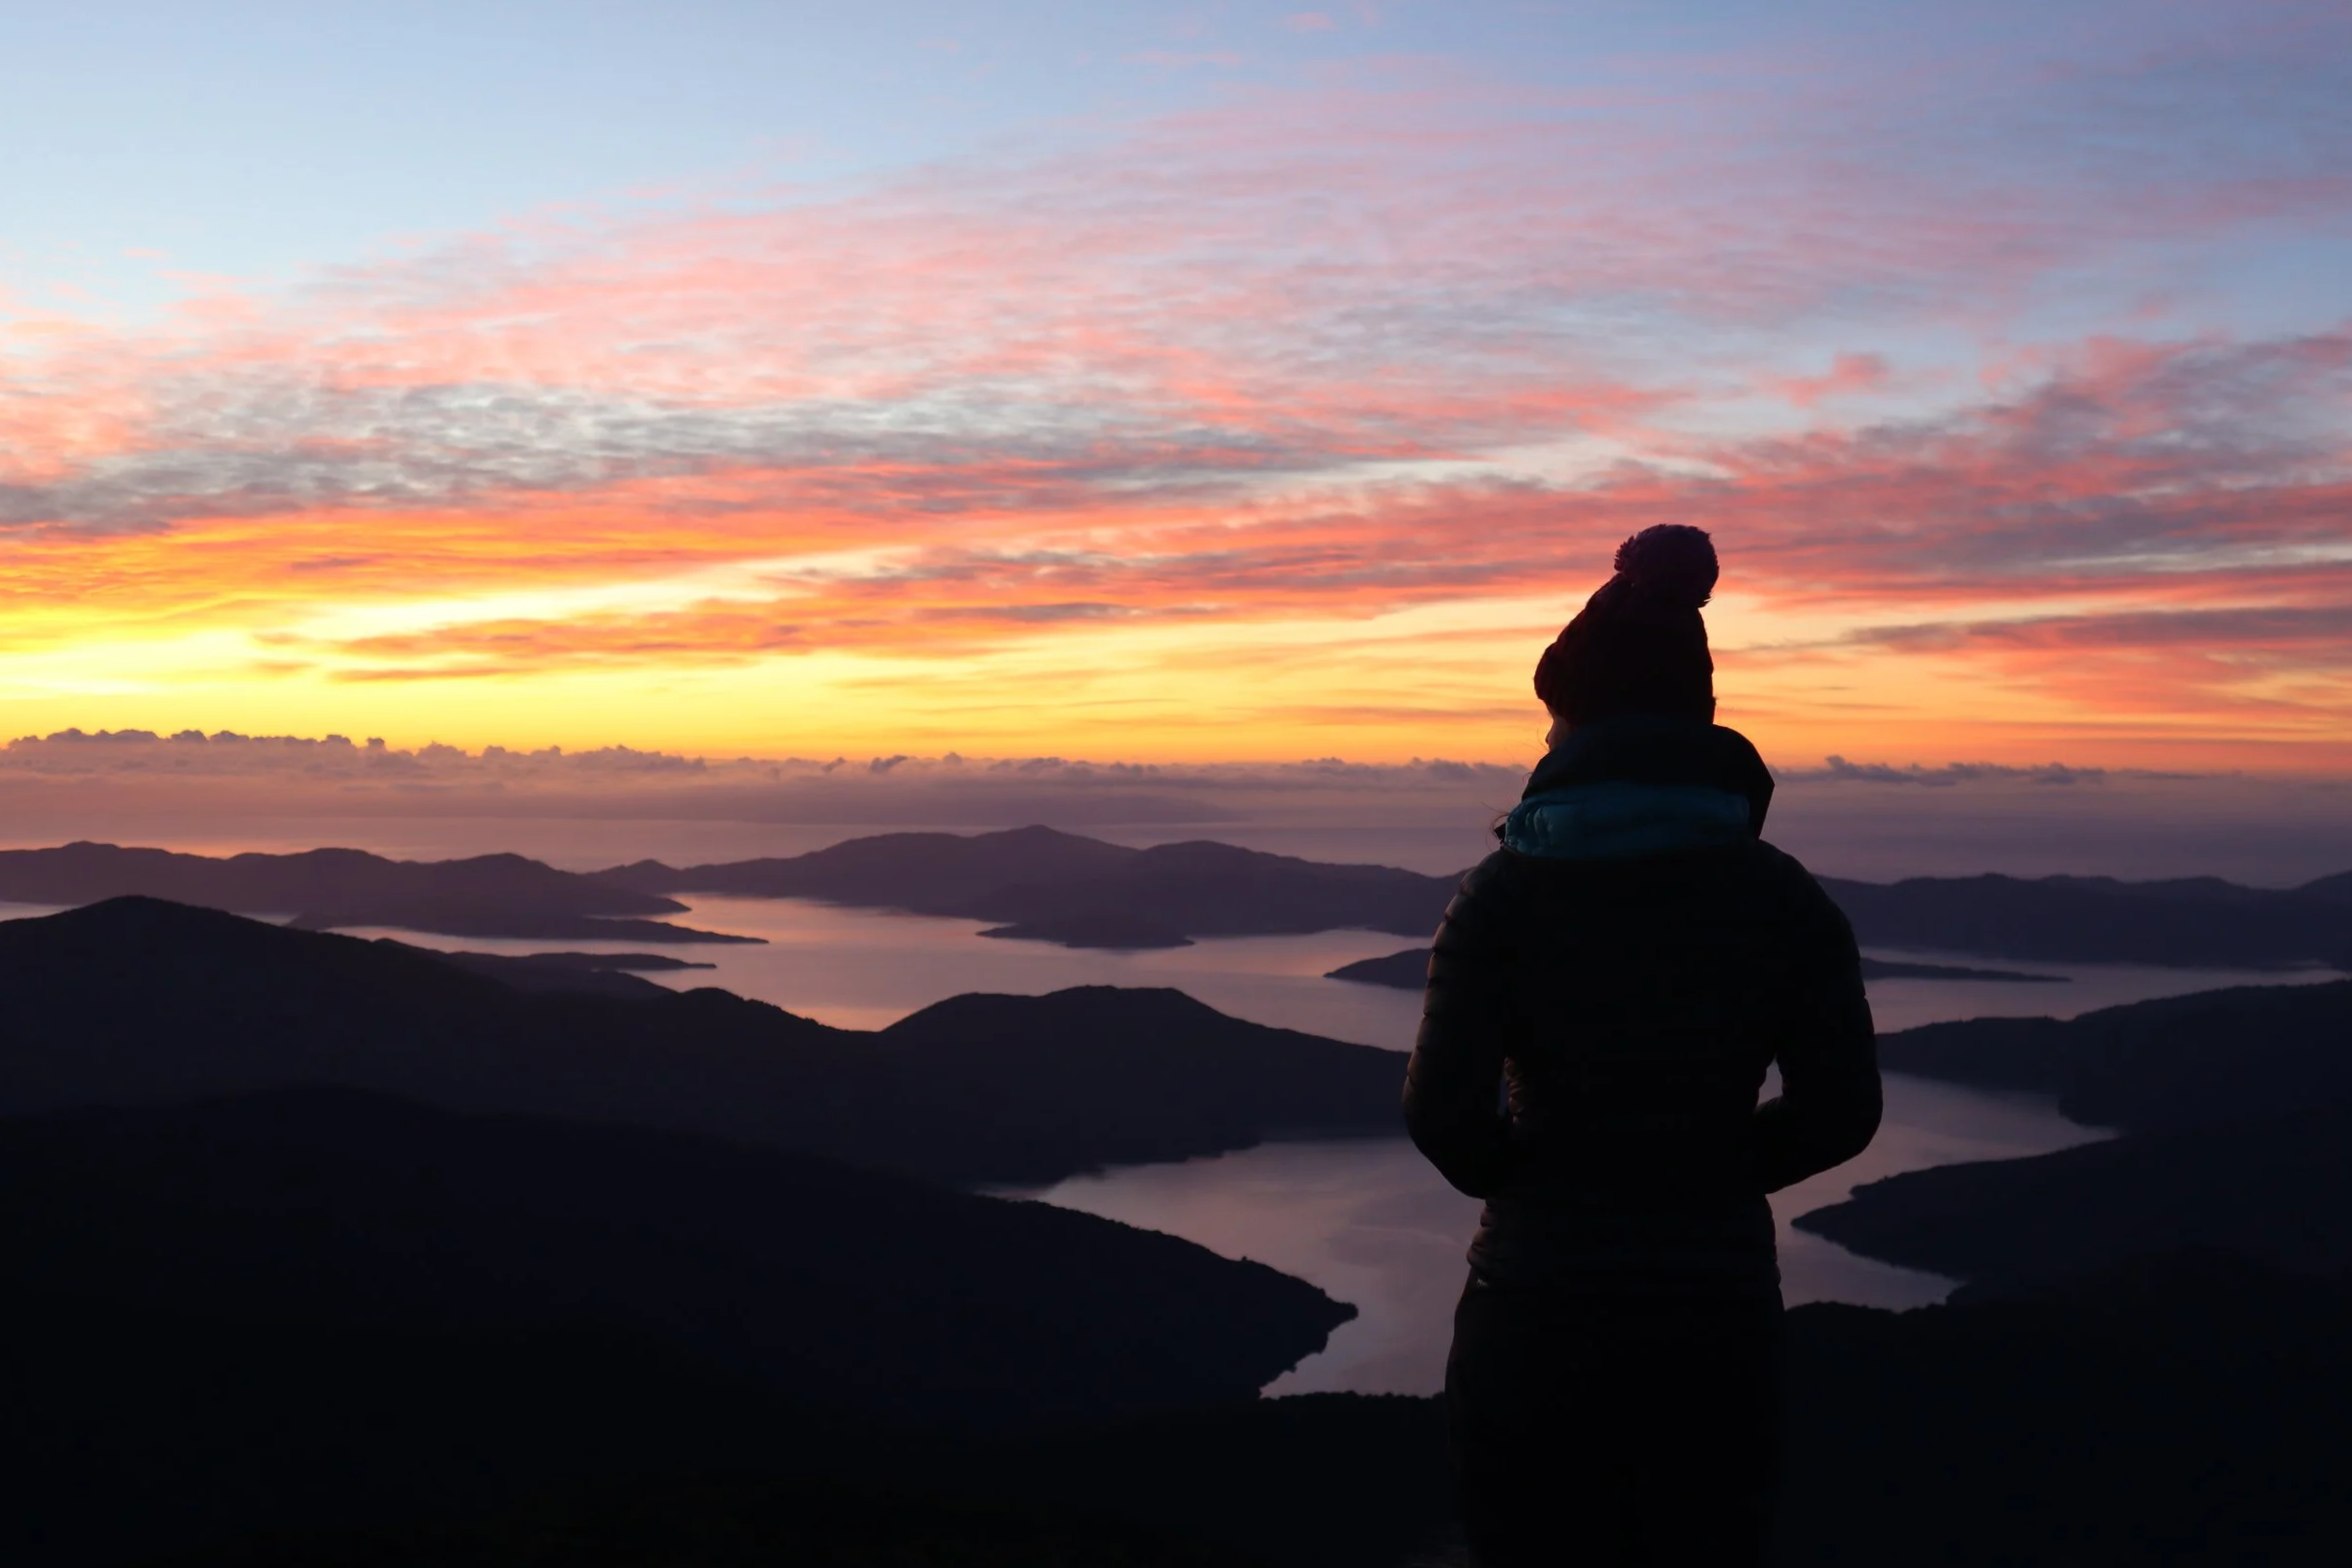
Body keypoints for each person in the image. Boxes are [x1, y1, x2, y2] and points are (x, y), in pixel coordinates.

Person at [1404, 524, 1880, 1567]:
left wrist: (1541, 1179)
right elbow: (1843, 1112)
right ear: (1702, 713)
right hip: (1717, 1309)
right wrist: (1709, 1171)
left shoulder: (1502, 896)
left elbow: (1442, 1119)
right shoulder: (1783, 898)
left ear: (1569, 721)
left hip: (1533, 1303)